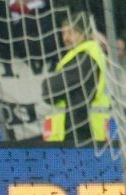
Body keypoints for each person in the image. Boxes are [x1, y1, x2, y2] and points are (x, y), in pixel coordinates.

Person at [41, 12, 110, 145]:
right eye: (63, 33)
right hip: (80, 133)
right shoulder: (83, 55)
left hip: (80, 135)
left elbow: (50, 89)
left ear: (84, 34)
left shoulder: (85, 56)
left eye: (71, 32)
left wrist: (47, 84)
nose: (66, 37)